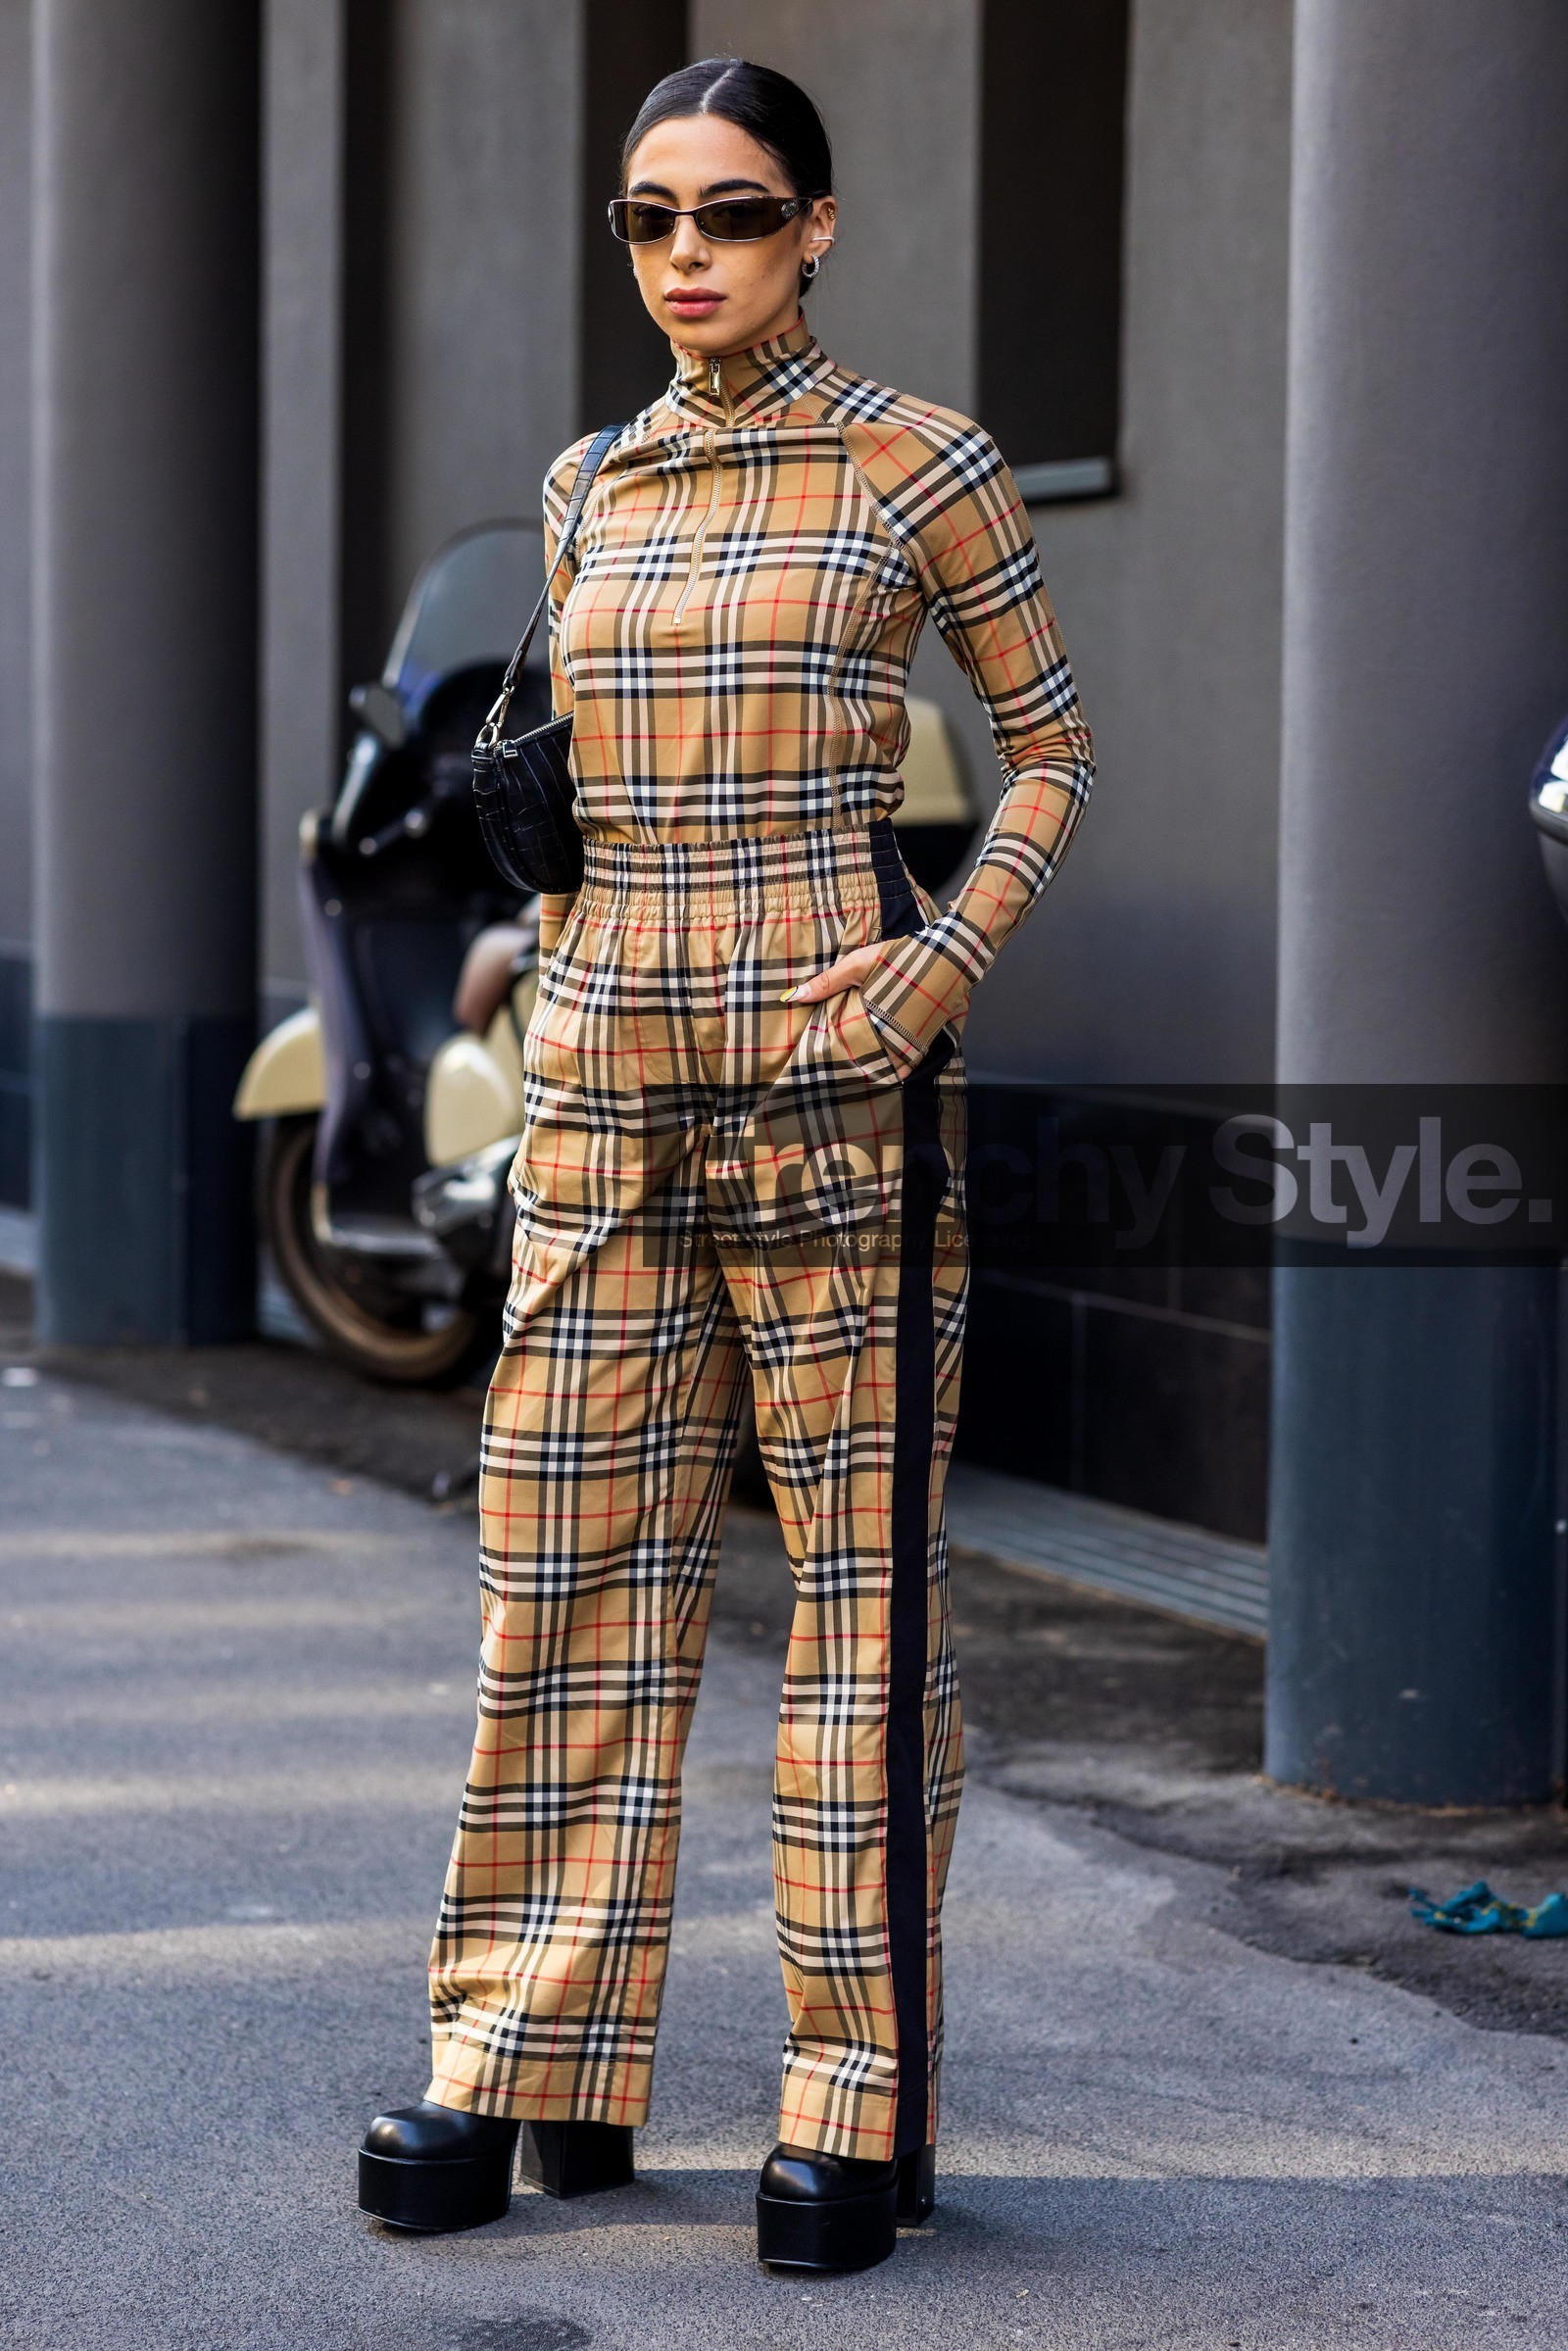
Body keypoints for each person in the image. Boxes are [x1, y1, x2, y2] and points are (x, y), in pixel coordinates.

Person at [360, 55, 1094, 2277]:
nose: (689, 254)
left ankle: (852, 2096)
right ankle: (527, 2063)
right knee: (562, 1585)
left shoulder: (919, 464)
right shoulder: (588, 485)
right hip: (600, 1100)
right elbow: (577, 770)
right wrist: (545, 949)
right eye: (651, 218)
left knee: (857, 1614)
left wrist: (923, 980)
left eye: (736, 212)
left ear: (820, 227)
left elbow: (1049, 755)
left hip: (834, 1096)